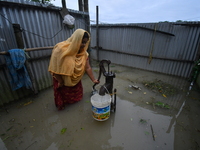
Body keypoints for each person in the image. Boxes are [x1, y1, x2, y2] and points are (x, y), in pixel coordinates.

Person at [48, 29, 99, 110]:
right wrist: (60, 82)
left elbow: (87, 67)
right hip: (62, 81)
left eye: (85, 42)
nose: (83, 44)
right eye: (82, 41)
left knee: (76, 99)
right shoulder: (60, 49)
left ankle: (76, 109)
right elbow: (55, 68)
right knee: (64, 100)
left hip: (75, 80)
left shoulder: (84, 54)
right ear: (76, 39)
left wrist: (93, 80)